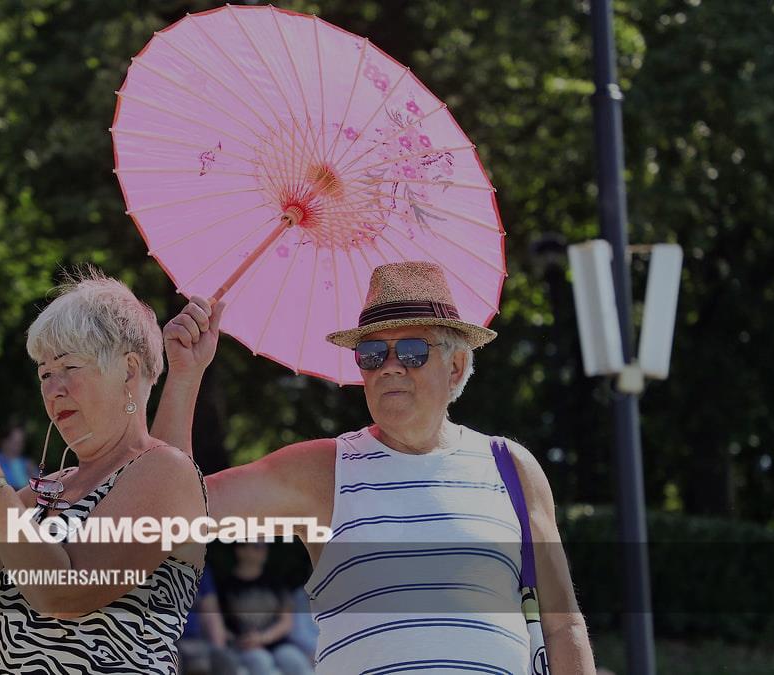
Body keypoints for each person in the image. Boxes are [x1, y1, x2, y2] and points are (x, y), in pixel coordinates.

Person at [155, 261, 597, 674]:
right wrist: (185, 376)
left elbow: (564, 626)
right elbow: (165, 514)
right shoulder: (323, 470)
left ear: (456, 365)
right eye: (371, 353)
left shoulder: (511, 468)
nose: (389, 367)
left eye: (412, 351)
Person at [0, 268, 208, 674]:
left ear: (129, 370)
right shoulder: (52, 488)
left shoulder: (167, 471)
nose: (53, 389)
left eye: (69, 367)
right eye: (44, 373)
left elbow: (62, 595)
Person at [217, 542, 313, 675]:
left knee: (295, 660)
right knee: (261, 661)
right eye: (257, 546)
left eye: (265, 545)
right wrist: (240, 641)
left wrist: (263, 638)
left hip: (278, 644)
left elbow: (286, 622)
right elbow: (218, 625)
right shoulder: (224, 587)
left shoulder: (275, 582)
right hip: (243, 647)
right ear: (240, 551)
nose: (263, 550)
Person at [178, 569, 242, 675]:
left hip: (197, 641)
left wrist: (219, 647)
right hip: (165, 642)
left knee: (224, 660)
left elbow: (211, 612)